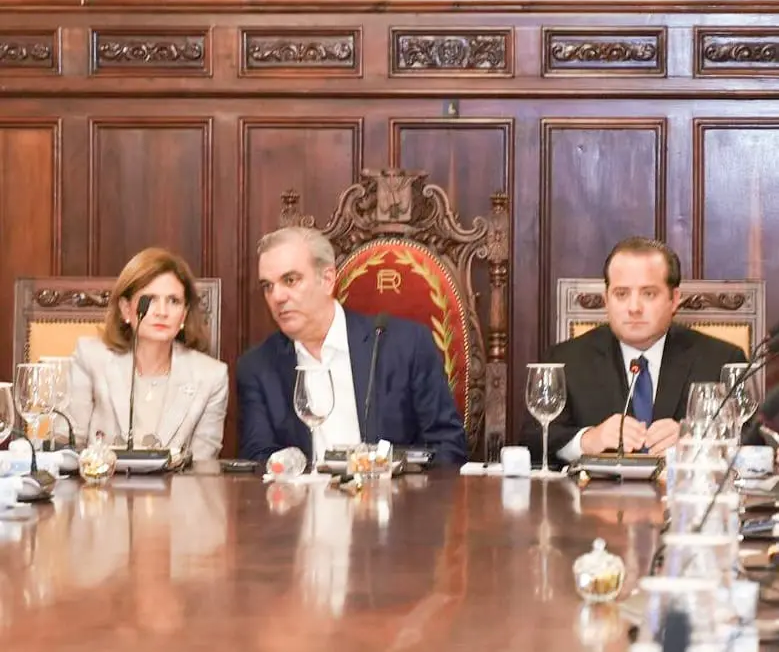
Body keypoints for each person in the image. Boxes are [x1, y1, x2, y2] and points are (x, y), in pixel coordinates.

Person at [236, 226, 467, 465]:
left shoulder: (405, 345)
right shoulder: (257, 366)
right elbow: (258, 458)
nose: (277, 297)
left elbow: (447, 445)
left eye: (290, 280)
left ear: (327, 280)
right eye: (268, 286)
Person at [520, 237, 747, 464]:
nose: (634, 308)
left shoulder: (721, 361)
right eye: (621, 294)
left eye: (649, 294)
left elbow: (752, 441)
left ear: (674, 299)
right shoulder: (566, 360)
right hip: (597, 488)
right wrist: (588, 440)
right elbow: (532, 440)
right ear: (606, 300)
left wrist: (699, 441)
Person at [68, 247, 228, 460]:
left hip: (177, 483)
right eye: (150, 299)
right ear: (126, 309)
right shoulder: (90, 358)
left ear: (184, 314)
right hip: (101, 480)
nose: (162, 312)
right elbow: (67, 447)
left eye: (173, 301)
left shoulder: (211, 377)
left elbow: (201, 465)